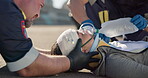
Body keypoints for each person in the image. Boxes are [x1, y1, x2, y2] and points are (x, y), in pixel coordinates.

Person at [0, 0, 101, 77]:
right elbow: (27, 66)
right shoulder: (7, 11)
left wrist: (57, 55)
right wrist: (72, 61)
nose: (38, 15)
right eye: (40, 5)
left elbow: (27, 53)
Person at [50, 19, 148, 78]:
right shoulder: (112, 62)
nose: (86, 31)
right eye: (81, 33)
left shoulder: (108, 49)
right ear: (82, 51)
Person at [67, 0, 148, 41]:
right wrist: (86, 23)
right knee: (90, 4)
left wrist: (146, 25)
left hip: (139, 20)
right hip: (112, 13)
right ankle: (97, 40)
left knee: (139, 48)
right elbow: (74, 2)